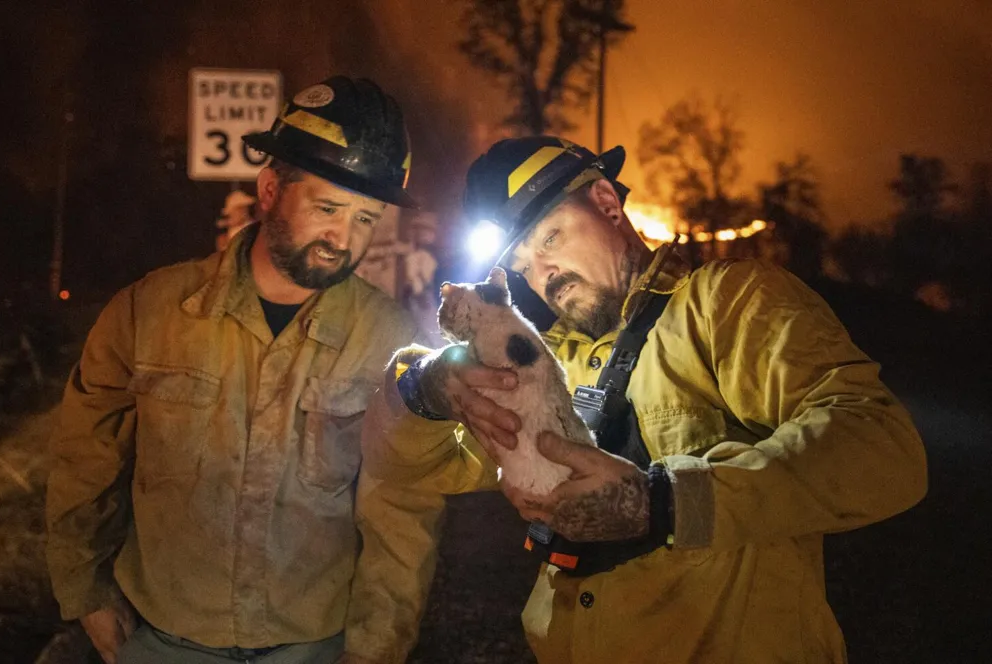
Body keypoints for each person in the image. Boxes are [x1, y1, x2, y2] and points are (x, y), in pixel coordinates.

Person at [358, 136, 928, 663]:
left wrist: (664, 504)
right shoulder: (542, 364)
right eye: (523, 264)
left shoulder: (726, 305)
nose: (544, 273)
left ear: (607, 202)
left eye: (550, 237)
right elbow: (406, 466)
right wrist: (425, 388)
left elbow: (881, 447)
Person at [46, 76, 427, 664]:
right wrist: (86, 592)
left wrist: (377, 648)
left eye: (365, 219)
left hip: (312, 646)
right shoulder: (149, 313)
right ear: (271, 189)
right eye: (328, 208)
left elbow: (401, 511)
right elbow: (84, 461)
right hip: (161, 638)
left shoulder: (388, 340)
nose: (343, 239)